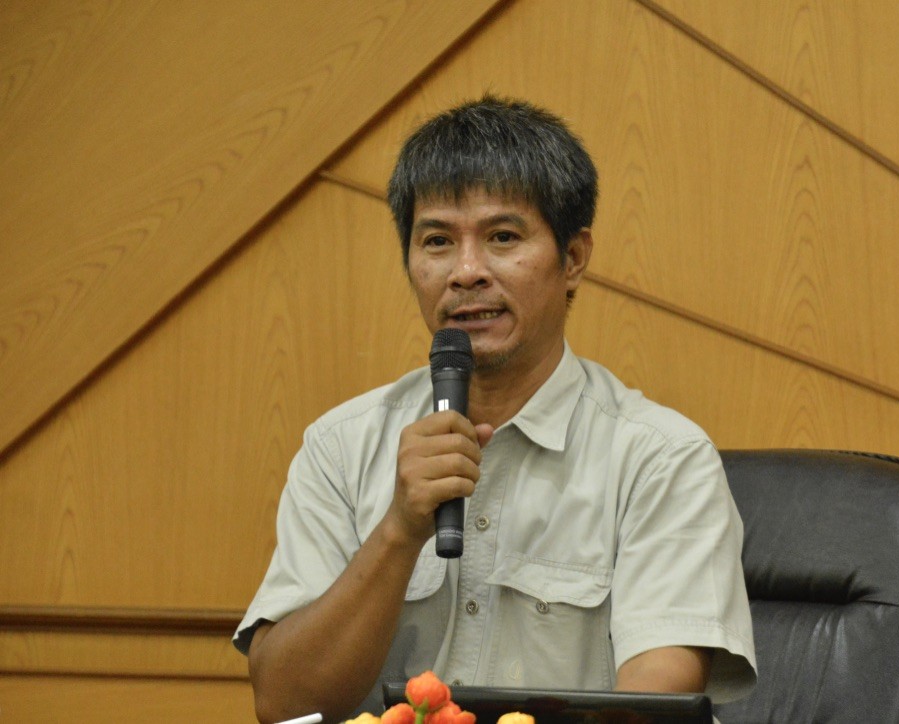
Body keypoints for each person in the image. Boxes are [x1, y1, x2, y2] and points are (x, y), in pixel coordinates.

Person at [234, 96, 756, 724]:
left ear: (573, 259)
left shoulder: (662, 458)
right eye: (437, 241)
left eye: (503, 237)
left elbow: (651, 707)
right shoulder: (340, 447)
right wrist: (398, 529)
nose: (466, 272)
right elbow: (284, 703)